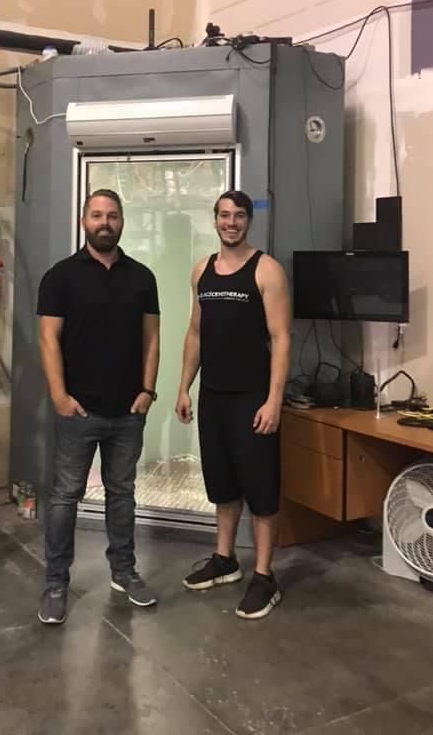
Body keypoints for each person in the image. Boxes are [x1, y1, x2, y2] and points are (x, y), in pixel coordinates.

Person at [36, 188, 161, 625]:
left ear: (121, 221)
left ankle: (124, 572)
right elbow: (48, 339)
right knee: (65, 496)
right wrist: (59, 396)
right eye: (96, 215)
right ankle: (56, 583)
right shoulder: (60, 277)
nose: (104, 222)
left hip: (128, 411)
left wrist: (147, 390)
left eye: (111, 215)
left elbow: (151, 338)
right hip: (78, 411)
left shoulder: (142, 277)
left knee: (121, 494)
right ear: (84, 221)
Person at [175, 189, 291, 619]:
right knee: (222, 485)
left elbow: (281, 338)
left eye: (239, 215)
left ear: (248, 221)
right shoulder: (201, 270)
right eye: (224, 215)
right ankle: (224, 560)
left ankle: (264, 576)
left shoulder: (267, 270)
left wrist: (274, 400)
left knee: (261, 489)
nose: (231, 223)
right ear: (215, 219)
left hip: (252, 398)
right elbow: (195, 332)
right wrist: (184, 387)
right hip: (214, 397)